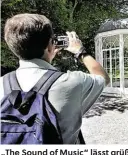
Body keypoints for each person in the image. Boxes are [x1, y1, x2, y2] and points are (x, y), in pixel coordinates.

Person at [0, 14, 109, 144]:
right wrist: (80, 51)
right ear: (51, 45)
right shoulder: (73, 82)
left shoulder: (2, 83)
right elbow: (103, 78)